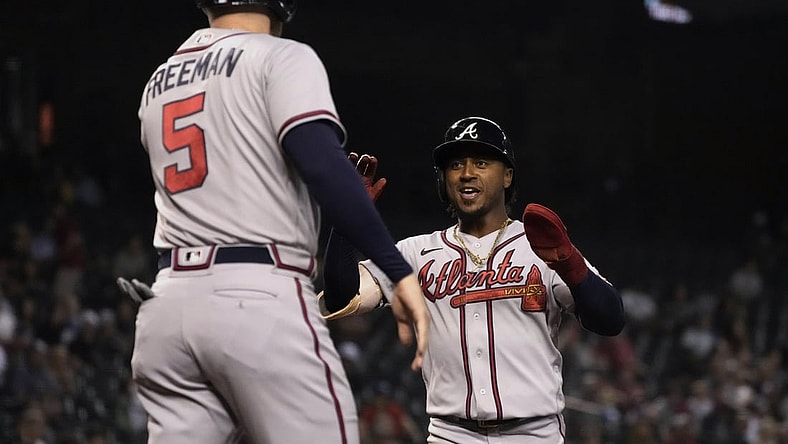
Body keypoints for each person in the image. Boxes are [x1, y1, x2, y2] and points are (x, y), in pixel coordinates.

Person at [116, 1, 429, 443]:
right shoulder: (280, 56)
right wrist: (397, 271)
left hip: (167, 306)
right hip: (255, 296)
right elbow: (323, 166)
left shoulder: (157, 81)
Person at [320, 116, 626, 443]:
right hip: (451, 434)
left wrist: (571, 265)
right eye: (455, 165)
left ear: (507, 175)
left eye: (481, 162)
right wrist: (347, 218)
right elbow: (342, 297)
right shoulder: (414, 252)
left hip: (534, 434)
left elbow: (610, 319)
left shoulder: (541, 244)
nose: (467, 173)